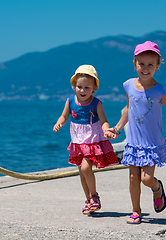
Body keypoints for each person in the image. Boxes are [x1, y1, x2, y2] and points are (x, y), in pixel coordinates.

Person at [108, 41, 166, 224]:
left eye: (151, 64)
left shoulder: (159, 90)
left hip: (151, 144)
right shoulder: (128, 85)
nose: (145, 68)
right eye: (141, 63)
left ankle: (157, 187)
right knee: (134, 178)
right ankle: (136, 211)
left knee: (146, 178)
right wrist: (117, 128)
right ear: (134, 64)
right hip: (133, 144)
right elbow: (128, 109)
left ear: (158, 66)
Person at [53, 64, 119, 215]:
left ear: (94, 88)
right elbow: (64, 116)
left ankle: (94, 196)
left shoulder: (97, 103)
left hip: (92, 140)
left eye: (87, 88)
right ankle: (88, 201)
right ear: (74, 86)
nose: (82, 91)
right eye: (79, 87)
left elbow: (103, 120)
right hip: (77, 141)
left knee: (85, 168)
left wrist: (106, 130)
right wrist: (59, 123)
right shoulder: (70, 101)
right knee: (82, 173)